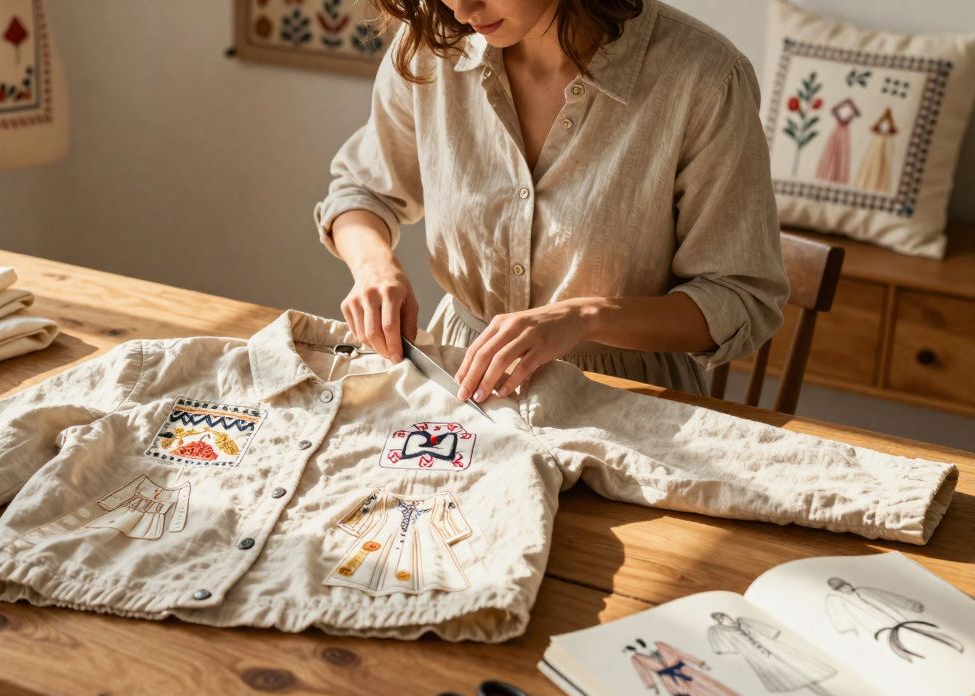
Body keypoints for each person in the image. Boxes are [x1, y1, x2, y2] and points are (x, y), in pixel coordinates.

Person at [313, 0, 789, 401]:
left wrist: (584, 318)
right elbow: (362, 191)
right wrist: (375, 267)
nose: (460, 9)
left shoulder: (704, 77)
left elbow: (737, 298)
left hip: (627, 396)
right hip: (461, 381)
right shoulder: (433, 45)